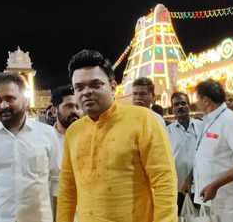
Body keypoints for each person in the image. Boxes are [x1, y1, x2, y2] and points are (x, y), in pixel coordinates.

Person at [57, 49, 178, 222]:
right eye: (79, 87)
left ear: (113, 86)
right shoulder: (73, 132)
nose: (86, 92)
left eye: (95, 84)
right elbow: (67, 189)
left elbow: (164, 182)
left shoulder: (143, 120)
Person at [0, 72, 61, 222]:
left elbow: (57, 180)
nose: (3, 106)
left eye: (10, 99)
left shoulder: (47, 134)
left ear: (25, 100)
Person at [193, 79, 233, 222]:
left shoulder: (230, 121)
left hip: (229, 201)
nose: (195, 103)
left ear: (206, 100)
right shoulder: (210, 120)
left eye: (197, 98)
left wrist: (215, 185)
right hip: (212, 198)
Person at [167, 92, 203, 215]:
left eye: (183, 103)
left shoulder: (202, 127)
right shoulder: (167, 132)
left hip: (201, 186)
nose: (180, 107)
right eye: (176, 104)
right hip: (178, 189)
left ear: (189, 105)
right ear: (173, 109)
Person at [50, 84, 82, 217]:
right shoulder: (44, 141)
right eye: (69, 106)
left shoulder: (91, 138)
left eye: (77, 107)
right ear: (54, 111)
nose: (75, 111)